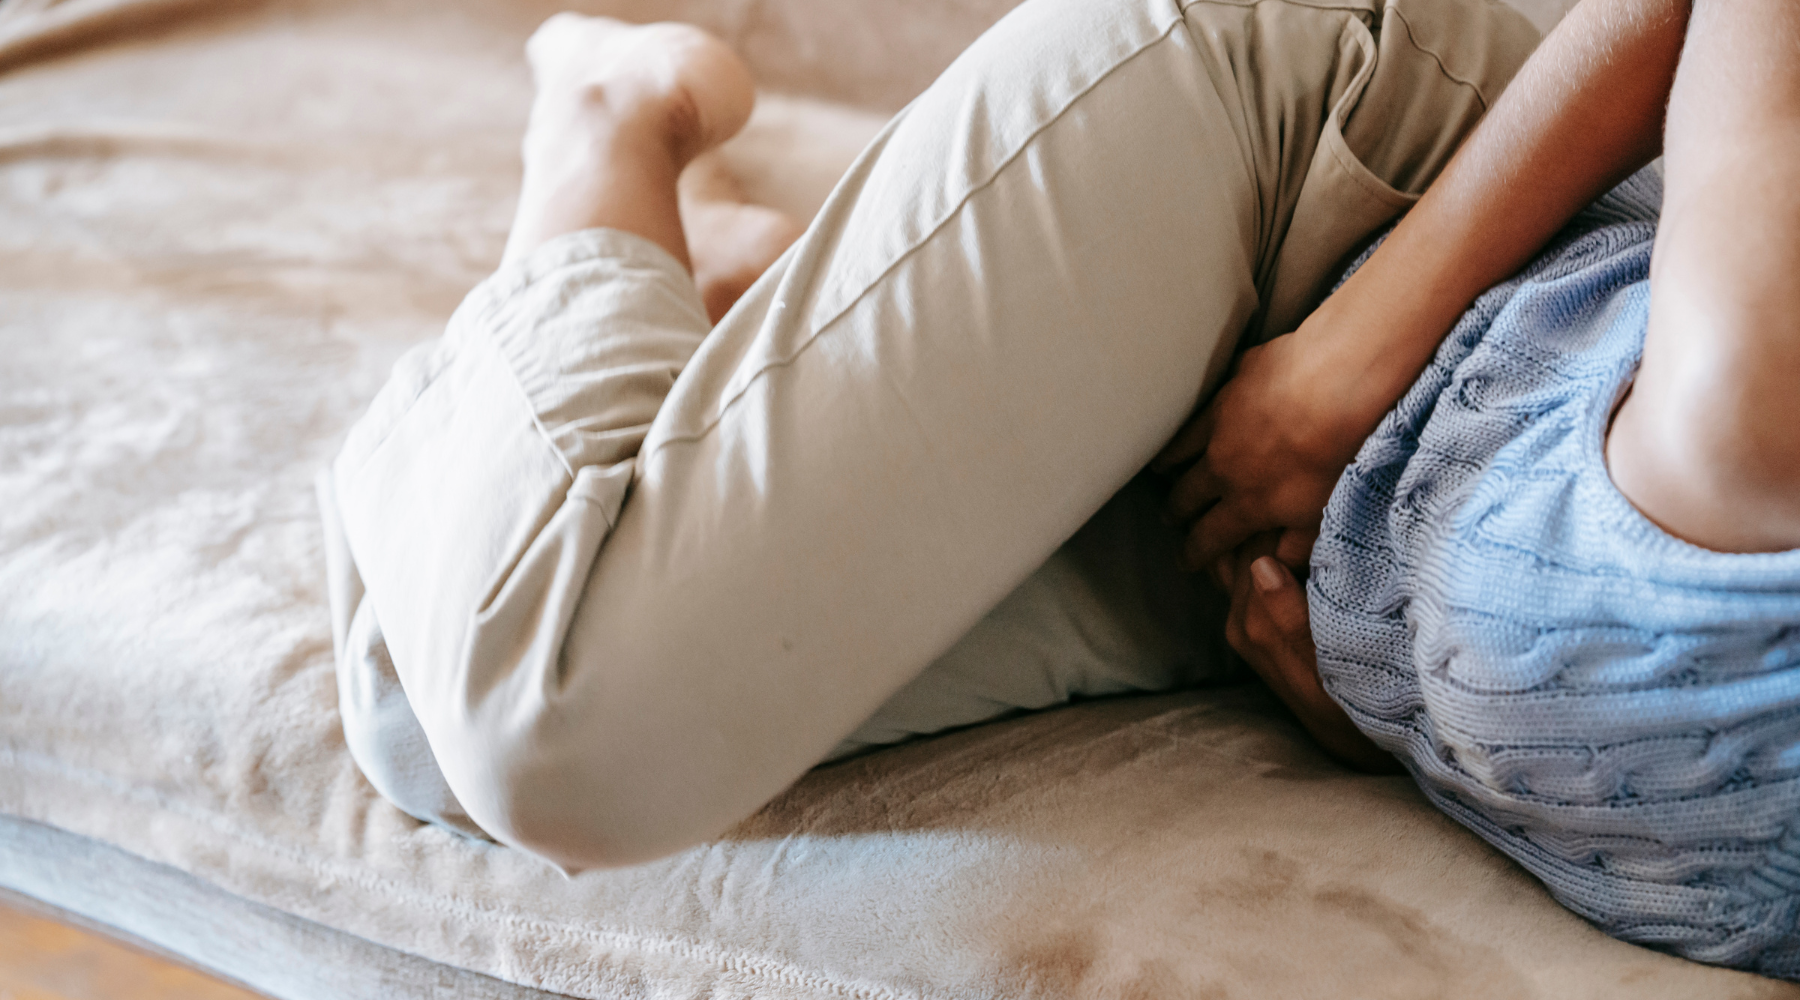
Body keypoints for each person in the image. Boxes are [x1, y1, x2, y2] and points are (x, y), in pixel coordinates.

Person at [316, 0, 1800, 975]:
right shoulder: (1754, 426)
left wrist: (1389, 711)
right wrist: (1348, 357)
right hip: (1327, 186)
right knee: (553, 715)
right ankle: (603, 117)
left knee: (421, 707)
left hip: (1302, 530)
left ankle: (737, 289)